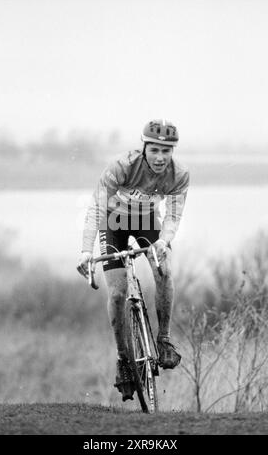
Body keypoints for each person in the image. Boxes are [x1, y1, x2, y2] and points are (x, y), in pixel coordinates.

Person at [78, 119, 189, 401]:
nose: (161, 157)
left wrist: (164, 241)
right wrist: (85, 251)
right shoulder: (122, 166)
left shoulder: (179, 175)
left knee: (163, 270)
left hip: (146, 220)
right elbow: (96, 207)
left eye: (167, 151)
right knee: (117, 293)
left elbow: (173, 216)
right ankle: (123, 360)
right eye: (154, 150)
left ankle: (163, 340)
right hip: (113, 221)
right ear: (144, 148)